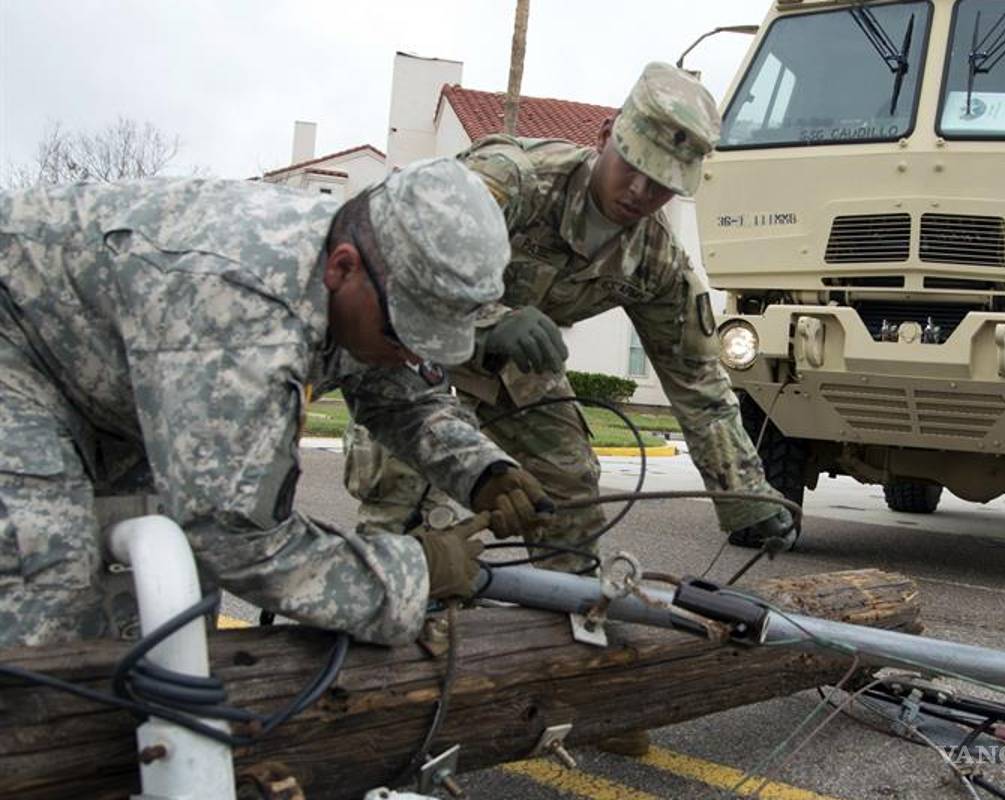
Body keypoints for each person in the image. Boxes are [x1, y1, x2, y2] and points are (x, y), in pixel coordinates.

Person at [0, 157, 550, 649]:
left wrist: (484, 471)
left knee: (167, 599)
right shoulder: (242, 308)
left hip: (105, 372)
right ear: (341, 267)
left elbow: (399, 394)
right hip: (15, 341)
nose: (410, 355)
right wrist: (416, 571)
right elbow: (237, 539)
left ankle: (130, 749)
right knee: (43, 569)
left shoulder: (367, 277)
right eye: (402, 334)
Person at [344, 62, 795, 576]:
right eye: (634, 167)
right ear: (606, 135)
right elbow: (399, 264)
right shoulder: (514, 180)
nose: (640, 194)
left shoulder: (656, 259)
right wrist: (488, 320)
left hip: (512, 375)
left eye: (662, 185)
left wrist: (748, 497)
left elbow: (700, 386)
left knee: (569, 491)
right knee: (403, 493)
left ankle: (556, 630)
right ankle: (381, 605)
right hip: (415, 350)